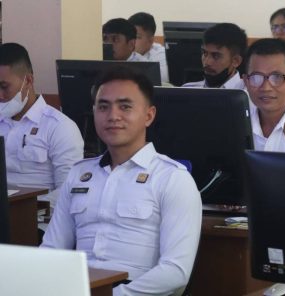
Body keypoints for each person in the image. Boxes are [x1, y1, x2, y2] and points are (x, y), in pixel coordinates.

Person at [41, 66, 202, 295]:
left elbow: (175, 271)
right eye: (103, 107)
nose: (112, 116)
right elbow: (51, 250)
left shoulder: (172, 179)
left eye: (125, 107)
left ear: (149, 115)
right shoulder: (79, 174)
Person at [0, 43, 83, 206]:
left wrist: (24, 210)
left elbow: (69, 190)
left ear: (28, 81)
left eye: (4, 87)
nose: (0, 95)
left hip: (37, 220)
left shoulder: (59, 127)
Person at [182, 23, 247, 89]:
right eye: (205, 53)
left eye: (216, 56)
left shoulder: (251, 94)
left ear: (236, 61)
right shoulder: (186, 90)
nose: (207, 62)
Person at [128, 12, 169, 83]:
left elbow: (162, 78)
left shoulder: (161, 53)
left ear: (150, 40)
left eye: (137, 37)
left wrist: (134, 55)